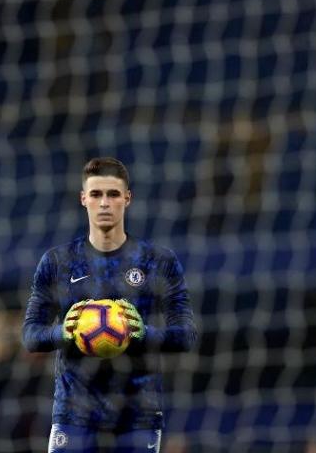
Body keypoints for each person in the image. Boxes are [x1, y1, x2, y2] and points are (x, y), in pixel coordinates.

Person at [22, 157, 197, 452]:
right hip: (74, 413)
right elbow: (30, 335)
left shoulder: (158, 260)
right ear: (83, 199)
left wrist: (143, 333)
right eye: (96, 194)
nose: (104, 203)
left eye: (113, 194)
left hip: (137, 414)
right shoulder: (57, 261)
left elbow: (186, 334)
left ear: (127, 199)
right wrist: (61, 332)